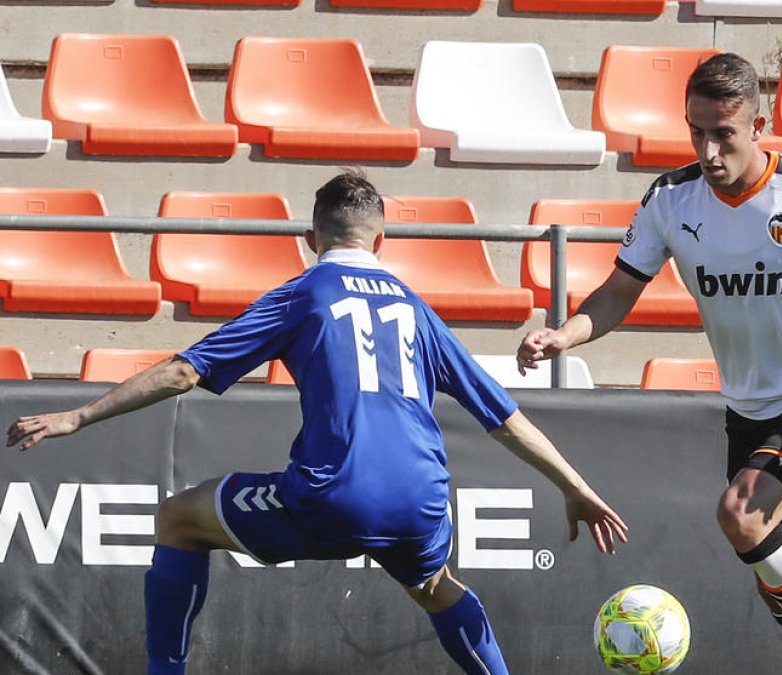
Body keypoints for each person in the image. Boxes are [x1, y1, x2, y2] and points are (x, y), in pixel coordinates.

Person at [7, 169, 628, 675]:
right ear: (381, 241)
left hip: (333, 493)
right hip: (421, 498)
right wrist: (574, 486)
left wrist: (78, 416)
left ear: (311, 238)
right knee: (434, 584)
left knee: (178, 517)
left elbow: (181, 372)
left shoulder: (304, 292)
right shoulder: (415, 308)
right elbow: (503, 416)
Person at [517, 53, 782, 675]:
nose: (709, 149)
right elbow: (618, 291)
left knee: (740, 514)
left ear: (759, 123)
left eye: (723, 132)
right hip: (749, 410)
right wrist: (565, 335)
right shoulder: (671, 201)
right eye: (696, 132)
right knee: (777, 572)